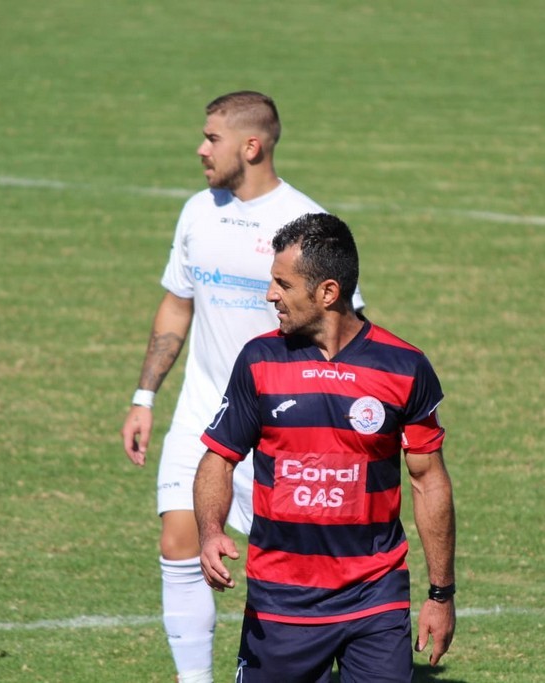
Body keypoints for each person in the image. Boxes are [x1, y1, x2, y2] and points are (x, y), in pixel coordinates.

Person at [120, 92, 365, 683]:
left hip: (282, 420)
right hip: (203, 410)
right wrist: (144, 397)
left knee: (290, 564)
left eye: (212, 138)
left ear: (251, 146)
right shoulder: (197, 212)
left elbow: (345, 328)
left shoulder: (306, 224)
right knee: (178, 537)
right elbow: (177, 305)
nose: (201, 149)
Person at [194, 213, 456, 682]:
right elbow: (220, 457)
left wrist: (441, 594)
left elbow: (428, 479)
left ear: (328, 292)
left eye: (283, 284)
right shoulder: (259, 360)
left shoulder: (404, 367)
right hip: (280, 601)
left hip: (375, 599)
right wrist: (211, 532)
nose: (270, 295)